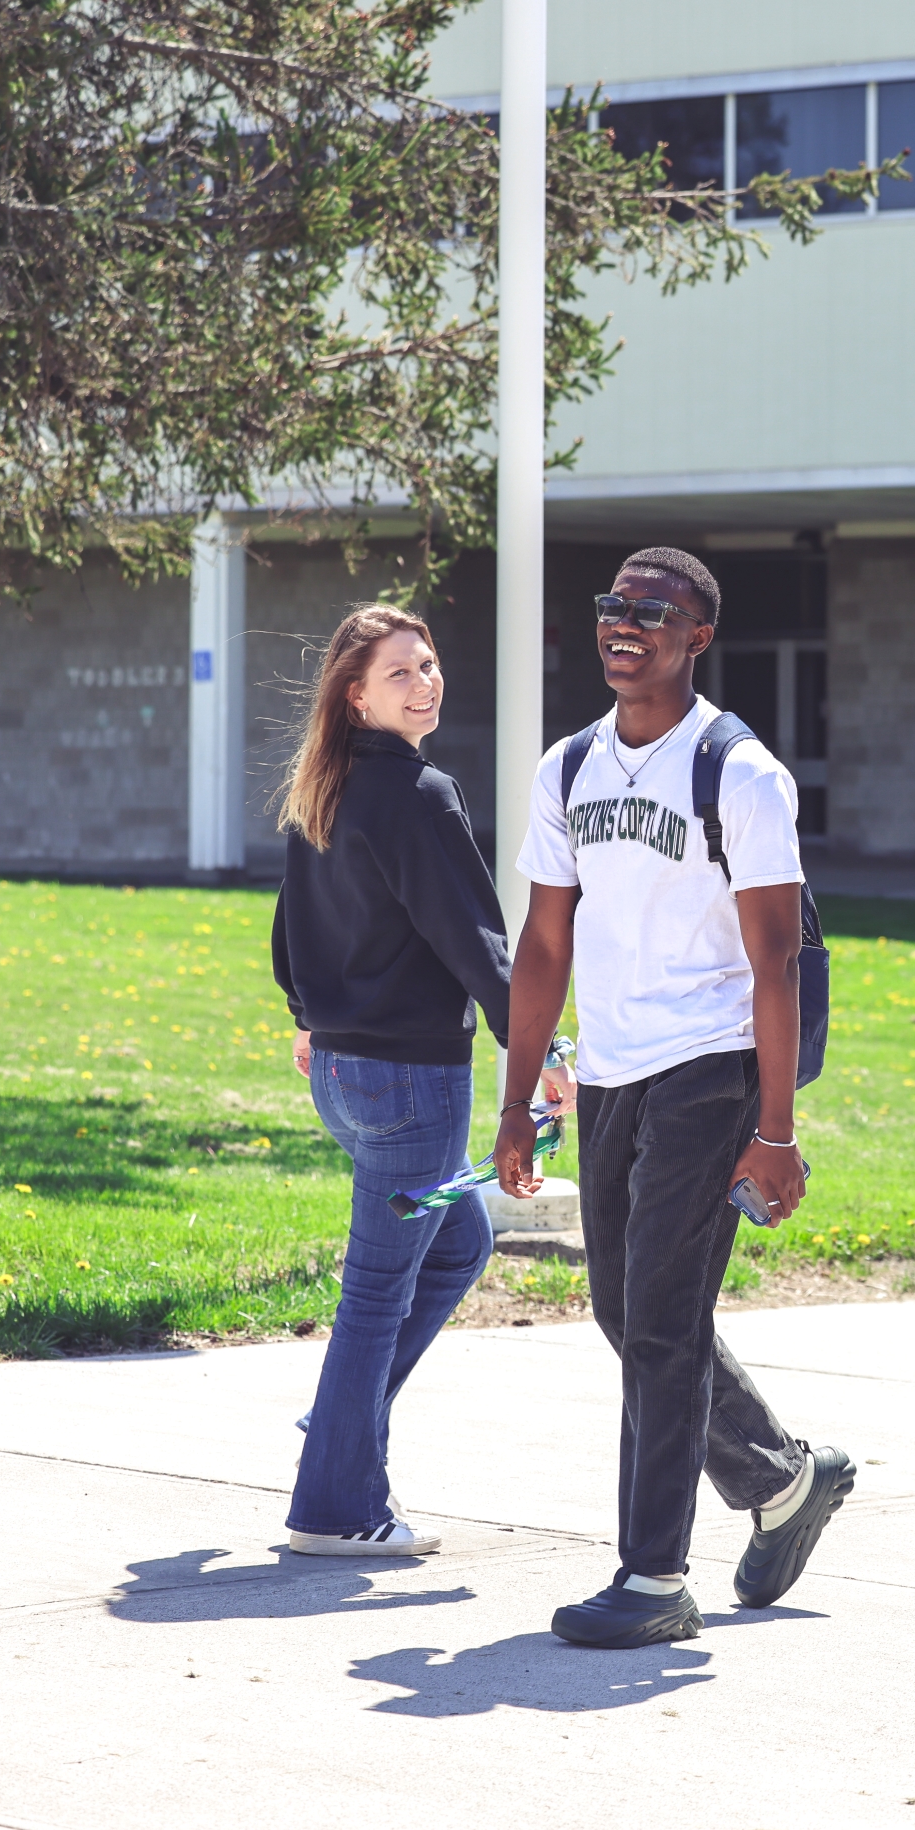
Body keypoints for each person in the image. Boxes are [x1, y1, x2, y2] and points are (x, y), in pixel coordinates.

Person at [496, 546, 854, 1648]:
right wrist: (516, 1101)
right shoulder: (568, 768)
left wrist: (776, 1128)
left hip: (711, 1066)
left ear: (698, 635)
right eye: (614, 606)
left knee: (655, 1315)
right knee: (627, 1310)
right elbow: (543, 940)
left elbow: (777, 958)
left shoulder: (738, 772)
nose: (625, 623)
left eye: (653, 610)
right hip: (608, 1070)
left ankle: (653, 1577)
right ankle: (783, 1478)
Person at [271, 604, 561, 1558]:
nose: (424, 683)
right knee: (376, 1295)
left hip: (346, 1081)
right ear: (355, 695)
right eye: (399, 673)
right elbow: (478, 944)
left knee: (458, 1241)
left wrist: (310, 1018)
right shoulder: (420, 794)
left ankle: (339, 1428)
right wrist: (544, 1056)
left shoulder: (324, 786)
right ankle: (339, 1508)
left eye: (429, 665)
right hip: (409, 1090)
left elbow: (288, 936)